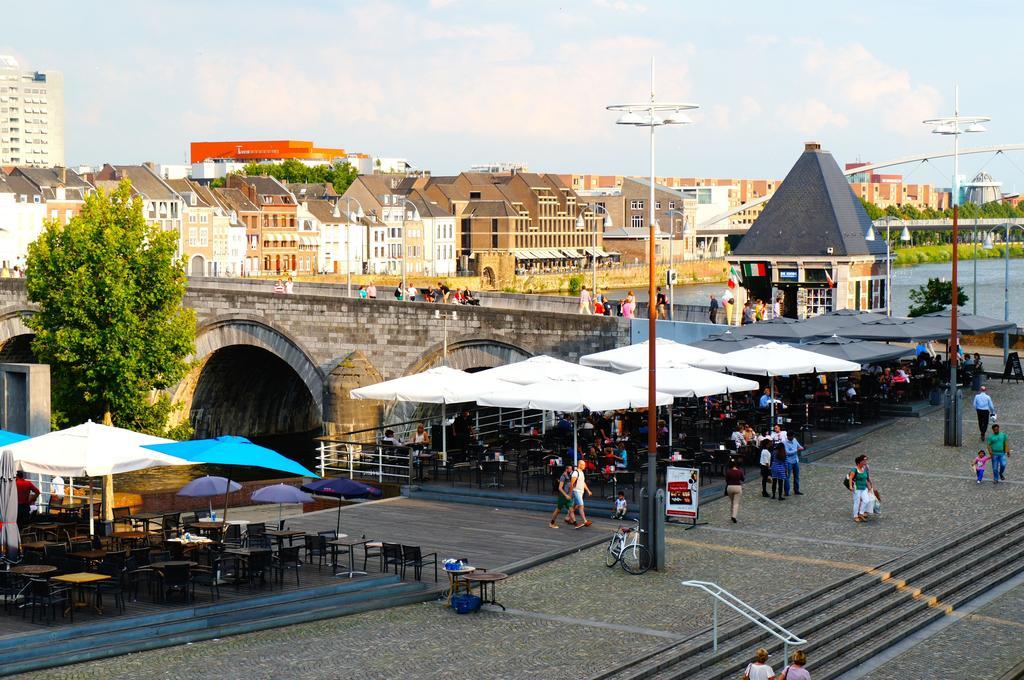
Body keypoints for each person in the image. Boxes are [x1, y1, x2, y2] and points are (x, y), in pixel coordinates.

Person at [848, 454, 873, 522]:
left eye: (866, 460)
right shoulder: (855, 470)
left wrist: (870, 485)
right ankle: (856, 516)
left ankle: (861, 513)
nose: (866, 462)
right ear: (860, 462)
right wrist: (850, 486)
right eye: (864, 460)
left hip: (864, 487)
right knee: (857, 502)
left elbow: (867, 477)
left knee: (866, 500)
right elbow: (850, 478)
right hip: (857, 488)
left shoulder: (864, 469)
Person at [549, 464, 575, 528]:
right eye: (570, 469)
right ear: (566, 469)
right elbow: (560, 488)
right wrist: (566, 495)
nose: (571, 470)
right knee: (558, 510)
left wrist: (570, 494)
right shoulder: (563, 476)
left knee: (571, 509)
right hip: (562, 496)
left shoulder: (569, 476)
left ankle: (575, 523)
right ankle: (551, 523)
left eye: (571, 469)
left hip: (567, 496)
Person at [570, 460, 592, 528]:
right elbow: (572, 484)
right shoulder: (575, 473)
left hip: (580, 491)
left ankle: (568, 518)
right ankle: (585, 521)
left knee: (573, 507)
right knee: (581, 506)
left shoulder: (581, 472)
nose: (584, 466)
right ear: (579, 465)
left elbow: (583, 483)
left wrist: (588, 490)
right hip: (576, 491)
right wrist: (570, 494)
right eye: (583, 465)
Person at [783, 432, 804, 496]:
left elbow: (799, 447)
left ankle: (796, 490)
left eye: (793, 436)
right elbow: (787, 453)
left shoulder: (794, 440)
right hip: (788, 462)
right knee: (787, 477)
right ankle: (786, 492)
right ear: (788, 436)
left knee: (796, 477)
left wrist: (803, 448)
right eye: (791, 437)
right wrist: (796, 450)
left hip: (795, 461)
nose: (792, 438)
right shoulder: (784, 443)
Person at [725, 459, 744, 523]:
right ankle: (734, 516)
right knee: (736, 503)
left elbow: (726, 480)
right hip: (738, 487)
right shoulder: (739, 471)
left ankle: (731, 515)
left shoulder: (728, 471)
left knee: (732, 502)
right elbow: (743, 479)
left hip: (730, 487)